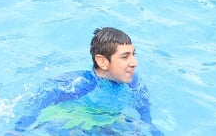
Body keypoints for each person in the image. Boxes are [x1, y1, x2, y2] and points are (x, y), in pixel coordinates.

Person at [13, 27, 162, 136]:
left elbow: (143, 106)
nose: (134, 62)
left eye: (133, 55)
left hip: (107, 120)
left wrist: (150, 126)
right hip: (74, 120)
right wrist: (19, 129)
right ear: (102, 61)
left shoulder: (132, 81)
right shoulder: (81, 85)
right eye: (125, 57)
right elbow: (43, 98)